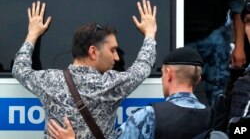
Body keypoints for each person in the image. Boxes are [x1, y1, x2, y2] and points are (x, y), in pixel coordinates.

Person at [12, 0, 157, 139]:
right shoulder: (109, 85)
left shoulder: (49, 80)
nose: (117, 57)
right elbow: (142, 66)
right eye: (112, 50)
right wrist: (150, 33)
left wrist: (32, 34)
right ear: (93, 52)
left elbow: (19, 69)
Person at [47, 47, 212, 139]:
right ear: (197, 80)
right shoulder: (214, 117)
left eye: (161, 73)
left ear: (168, 73)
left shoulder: (150, 116)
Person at [184, 0, 245, 105]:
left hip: (214, 37)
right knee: (181, 94)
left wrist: (239, 47)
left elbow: (238, 9)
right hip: (180, 37)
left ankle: (217, 120)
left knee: (218, 95)